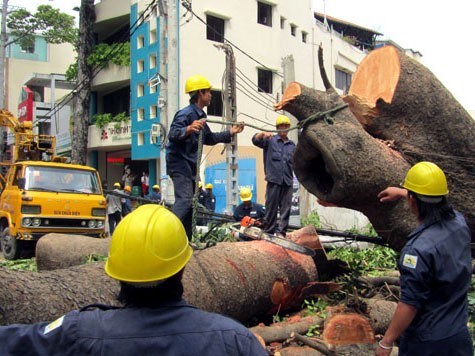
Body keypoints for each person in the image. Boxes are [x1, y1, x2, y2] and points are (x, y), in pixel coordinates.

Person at [0, 205, 268, 355]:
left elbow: (15, 341)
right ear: (183, 268)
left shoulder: (79, 332)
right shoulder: (233, 341)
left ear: (116, 272)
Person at [376, 162, 472, 356]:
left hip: (427, 344)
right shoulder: (459, 223)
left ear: (413, 202)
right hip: (459, 336)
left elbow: (410, 304)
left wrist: (387, 342)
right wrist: (404, 193)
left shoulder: (417, 251)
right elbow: (435, 199)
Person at [166, 74, 244, 239]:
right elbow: (172, 134)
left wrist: (231, 132)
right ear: (200, 93)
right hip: (179, 164)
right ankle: (164, 233)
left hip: (189, 166)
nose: (210, 95)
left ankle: (185, 241)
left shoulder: (200, 116)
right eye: (208, 92)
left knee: (191, 206)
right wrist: (188, 129)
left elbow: (210, 138)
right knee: (186, 200)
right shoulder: (186, 114)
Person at [252, 115, 295, 236]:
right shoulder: (270, 141)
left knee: (285, 209)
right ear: (277, 128)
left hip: (287, 182)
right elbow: (255, 140)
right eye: (282, 126)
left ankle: (281, 233)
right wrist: (262, 133)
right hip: (273, 181)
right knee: (271, 207)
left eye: (286, 126)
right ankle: (269, 232)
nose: (284, 128)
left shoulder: (292, 146)